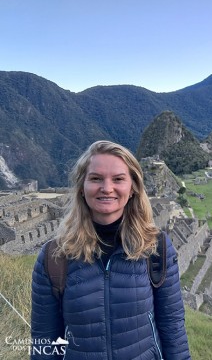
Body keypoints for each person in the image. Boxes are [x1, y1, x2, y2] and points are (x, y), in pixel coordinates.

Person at [31, 140, 191, 359]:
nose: (107, 188)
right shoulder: (54, 257)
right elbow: (44, 338)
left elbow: (173, 327)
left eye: (118, 179)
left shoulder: (156, 248)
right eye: (96, 178)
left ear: (133, 187)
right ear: (81, 187)